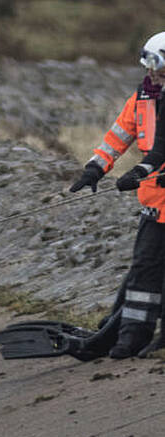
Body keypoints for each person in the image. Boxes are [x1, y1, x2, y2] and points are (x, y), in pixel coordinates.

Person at [69, 32, 165, 358]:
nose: (153, 75)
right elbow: (118, 135)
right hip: (154, 200)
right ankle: (131, 336)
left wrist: (140, 172)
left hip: (153, 187)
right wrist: (95, 168)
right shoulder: (142, 98)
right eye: (151, 69)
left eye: (160, 70)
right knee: (144, 269)